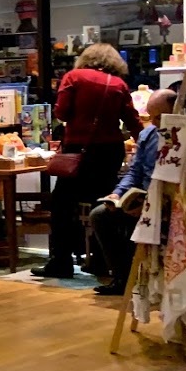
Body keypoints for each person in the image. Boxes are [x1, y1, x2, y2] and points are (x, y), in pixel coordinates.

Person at [32, 43, 141, 280]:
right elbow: (132, 120)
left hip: (80, 151)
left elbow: (61, 113)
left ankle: (61, 261)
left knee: (62, 204)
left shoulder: (74, 77)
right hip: (110, 152)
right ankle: (101, 261)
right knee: (101, 205)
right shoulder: (118, 84)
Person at [91, 88, 176, 296]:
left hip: (168, 201)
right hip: (142, 196)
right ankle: (122, 276)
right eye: (151, 116)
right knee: (100, 215)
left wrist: (152, 203)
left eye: (159, 117)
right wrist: (117, 194)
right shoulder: (148, 134)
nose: (154, 122)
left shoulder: (183, 138)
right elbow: (134, 171)